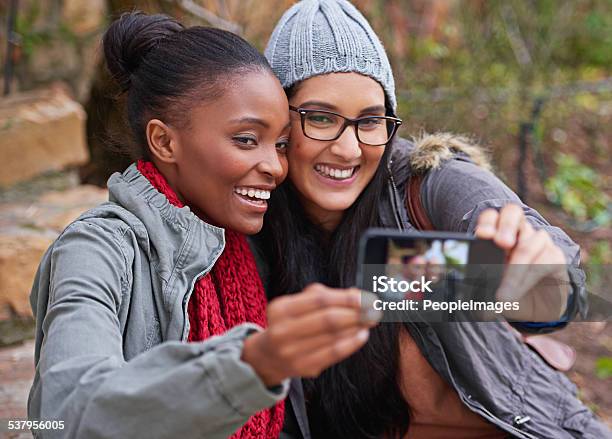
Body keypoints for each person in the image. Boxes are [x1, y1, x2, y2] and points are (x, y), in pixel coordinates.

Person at [255, 0, 610, 437]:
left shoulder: (425, 190)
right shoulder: (255, 229)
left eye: (371, 120)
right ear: (279, 123)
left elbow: (551, 292)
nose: (349, 149)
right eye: (322, 118)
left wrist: (533, 269)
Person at [27, 12, 380, 439]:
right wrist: (251, 365)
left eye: (282, 144)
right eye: (247, 139)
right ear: (165, 141)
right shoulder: (96, 250)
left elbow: (429, 287)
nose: (275, 166)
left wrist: (475, 222)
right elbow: (65, 417)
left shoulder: (254, 241)